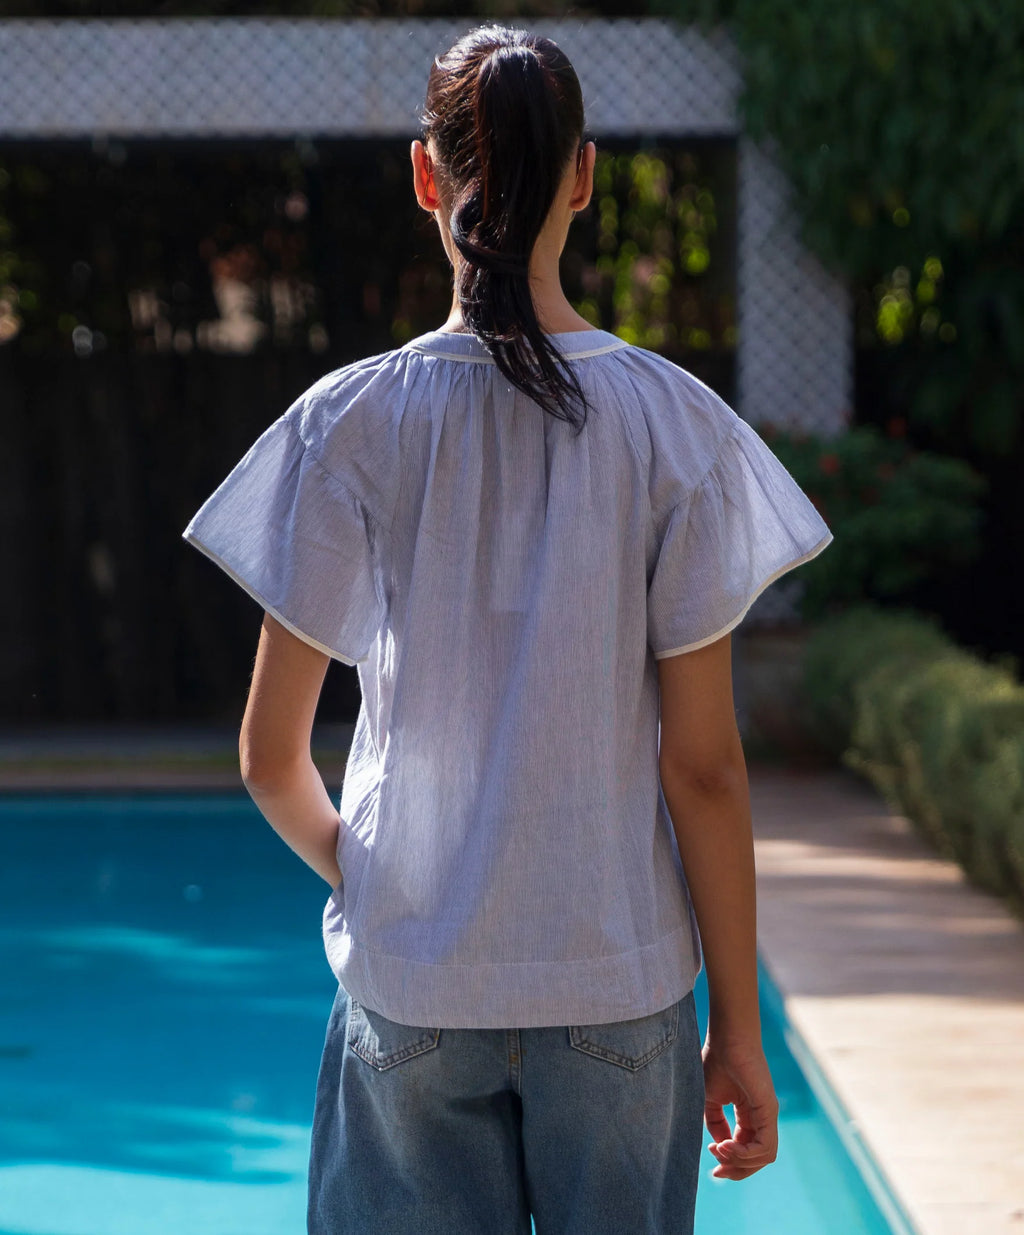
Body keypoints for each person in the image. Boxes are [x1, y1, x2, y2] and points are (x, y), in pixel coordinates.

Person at [182, 23, 831, 1235]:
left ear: (424, 178)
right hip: (618, 979)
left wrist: (378, 878)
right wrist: (738, 1030)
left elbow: (271, 758)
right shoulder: (676, 426)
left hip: (412, 982)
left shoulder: (348, 424)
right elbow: (702, 767)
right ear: (584, 177)